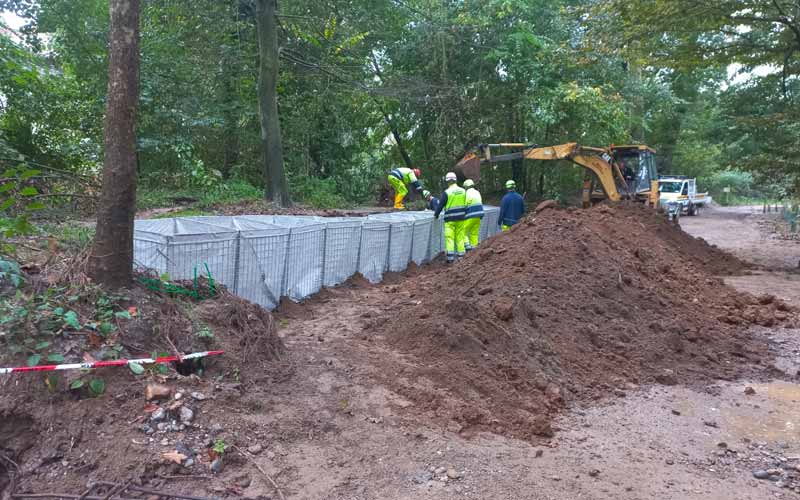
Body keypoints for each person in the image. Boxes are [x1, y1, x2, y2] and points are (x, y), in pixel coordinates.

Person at [433, 172, 467, 263]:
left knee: (450, 238)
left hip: (450, 220)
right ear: (455, 180)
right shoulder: (463, 191)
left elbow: (440, 205)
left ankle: (450, 259)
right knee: (460, 237)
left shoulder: (446, 192)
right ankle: (461, 257)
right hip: (461, 218)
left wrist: (436, 215)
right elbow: (466, 203)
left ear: (447, 181)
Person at [462, 179, 483, 251]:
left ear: (466, 186)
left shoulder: (467, 193)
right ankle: (475, 249)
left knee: (463, 232)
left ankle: (468, 248)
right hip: (479, 215)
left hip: (471, 215)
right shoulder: (477, 192)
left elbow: (465, 204)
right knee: (474, 233)